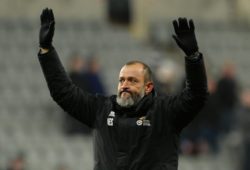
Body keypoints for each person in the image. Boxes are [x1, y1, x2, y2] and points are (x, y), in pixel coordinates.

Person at [38, 8, 208, 170]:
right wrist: (47, 52)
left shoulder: (165, 112)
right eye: (122, 80)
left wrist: (193, 58)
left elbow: (196, 96)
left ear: (148, 87)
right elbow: (63, 92)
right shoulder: (101, 109)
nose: (125, 84)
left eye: (132, 80)